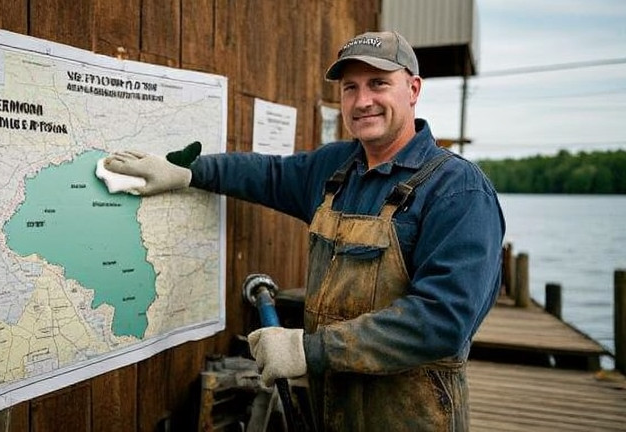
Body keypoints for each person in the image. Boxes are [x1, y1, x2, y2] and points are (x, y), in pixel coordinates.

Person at [101, 30, 505, 431]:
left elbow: (443, 321)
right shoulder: (336, 168)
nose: (362, 101)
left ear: (413, 89)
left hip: (412, 419)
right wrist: (188, 173)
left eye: (378, 83)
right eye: (351, 88)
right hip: (329, 414)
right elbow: (266, 174)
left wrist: (306, 348)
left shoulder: (458, 191)